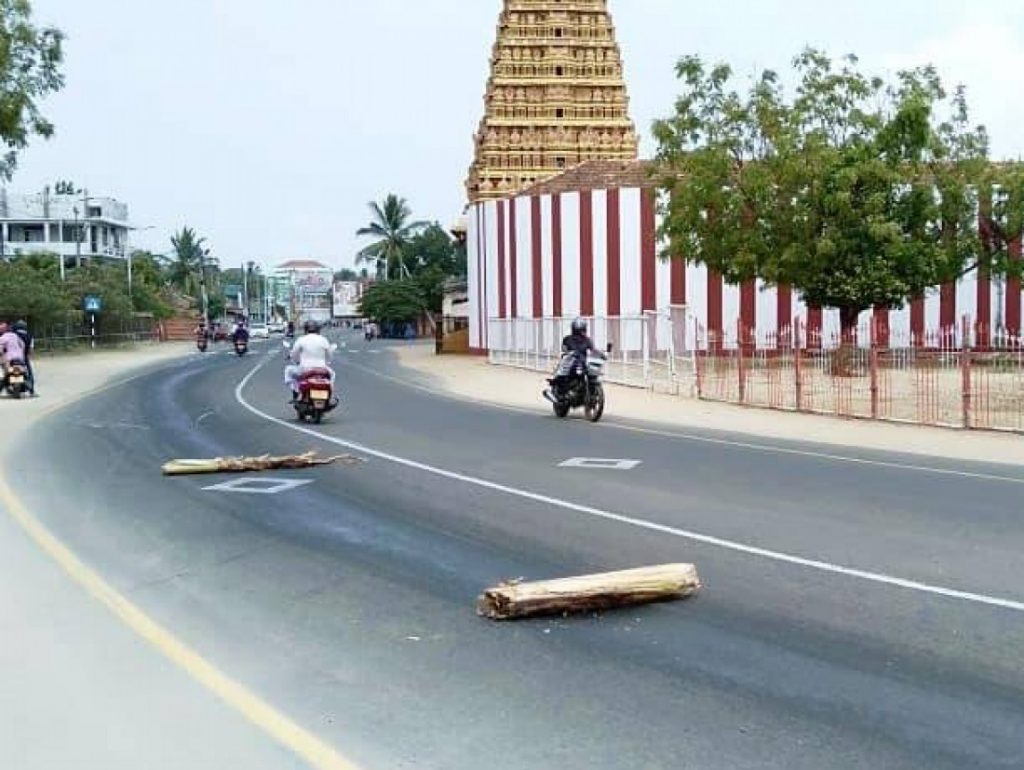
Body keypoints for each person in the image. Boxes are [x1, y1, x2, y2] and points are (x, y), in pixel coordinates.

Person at [284, 320, 335, 400]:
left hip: (304, 369)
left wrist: (296, 360)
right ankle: (330, 395)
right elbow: (330, 355)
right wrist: (327, 362)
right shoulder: (323, 339)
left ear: (305, 329)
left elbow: (294, 354)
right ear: (318, 329)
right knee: (332, 374)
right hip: (322, 369)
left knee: (288, 370)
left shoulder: (301, 339)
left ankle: (296, 390)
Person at [0, 321, 27, 387]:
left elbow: (0, 347)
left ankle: (4, 383)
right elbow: (23, 345)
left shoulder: (3, 337)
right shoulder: (16, 336)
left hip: (10, 358)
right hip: (19, 357)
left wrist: (1, 353)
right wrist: (22, 353)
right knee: (25, 372)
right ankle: (30, 389)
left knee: (6, 371)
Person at [12, 320, 35, 395]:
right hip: (24, 357)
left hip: (14, 357)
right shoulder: (29, 336)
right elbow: (30, 350)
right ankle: (31, 390)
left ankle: (14, 389)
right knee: (29, 373)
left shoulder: (13, 335)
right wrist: (28, 357)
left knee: (15, 371)